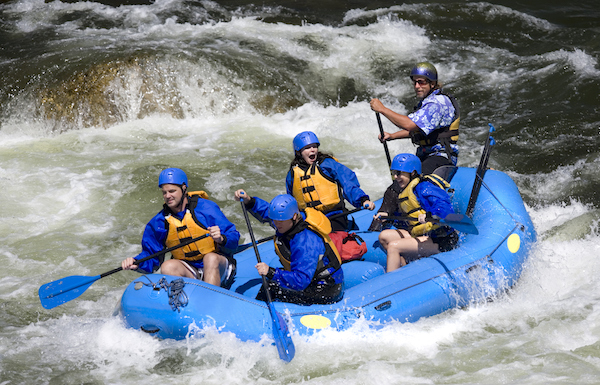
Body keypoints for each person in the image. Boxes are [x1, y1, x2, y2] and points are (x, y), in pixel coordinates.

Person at [121, 168, 240, 287]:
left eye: (172, 191)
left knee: (210, 258)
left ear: (184, 188)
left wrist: (222, 239)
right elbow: (151, 254)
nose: (168, 196)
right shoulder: (160, 221)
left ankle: (210, 300)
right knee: (168, 266)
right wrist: (137, 263)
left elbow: (233, 236)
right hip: (191, 270)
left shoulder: (206, 208)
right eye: (164, 192)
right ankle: (183, 301)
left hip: (219, 266)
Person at [235, 190, 344, 305]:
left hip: (325, 288)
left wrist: (271, 272)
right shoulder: (287, 221)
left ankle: (256, 316)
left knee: (271, 287)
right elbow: (267, 212)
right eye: (275, 220)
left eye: (280, 221)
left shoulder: (305, 242)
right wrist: (249, 201)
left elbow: (301, 280)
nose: (276, 224)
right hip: (311, 279)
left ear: (294, 216)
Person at [286, 131, 374, 261]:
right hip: (311, 220)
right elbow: (291, 201)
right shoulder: (293, 174)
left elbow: (348, 182)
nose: (312, 150)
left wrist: (362, 200)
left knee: (332, 243)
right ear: (298, 152)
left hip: (335, 215)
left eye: (314, 146)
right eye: (307, 148)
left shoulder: (327, 164)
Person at [371, 153, 458, 273]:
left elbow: (445, 209)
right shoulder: (404, 191)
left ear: (412, 173)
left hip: (441, 240)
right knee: (384, 236)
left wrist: (430, 216)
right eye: (394, 173)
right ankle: (403, 268)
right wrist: (389, 218)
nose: (396, 177)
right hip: (422, 235)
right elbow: (411, 218)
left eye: (399, 173)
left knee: (393, 246)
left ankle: (391, 283)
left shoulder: (425, 187)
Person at [370, 62, 460, 175]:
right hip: (426, 155)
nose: (417, 86)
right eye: (415, 82)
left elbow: (409, 124)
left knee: (415, 182)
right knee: (400, 181)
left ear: (432, 84)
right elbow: (418, 129)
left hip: (441, 157)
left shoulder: (437, 103)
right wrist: (392, 136)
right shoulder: (427, 102)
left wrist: (382, 109)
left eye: (421, 82)